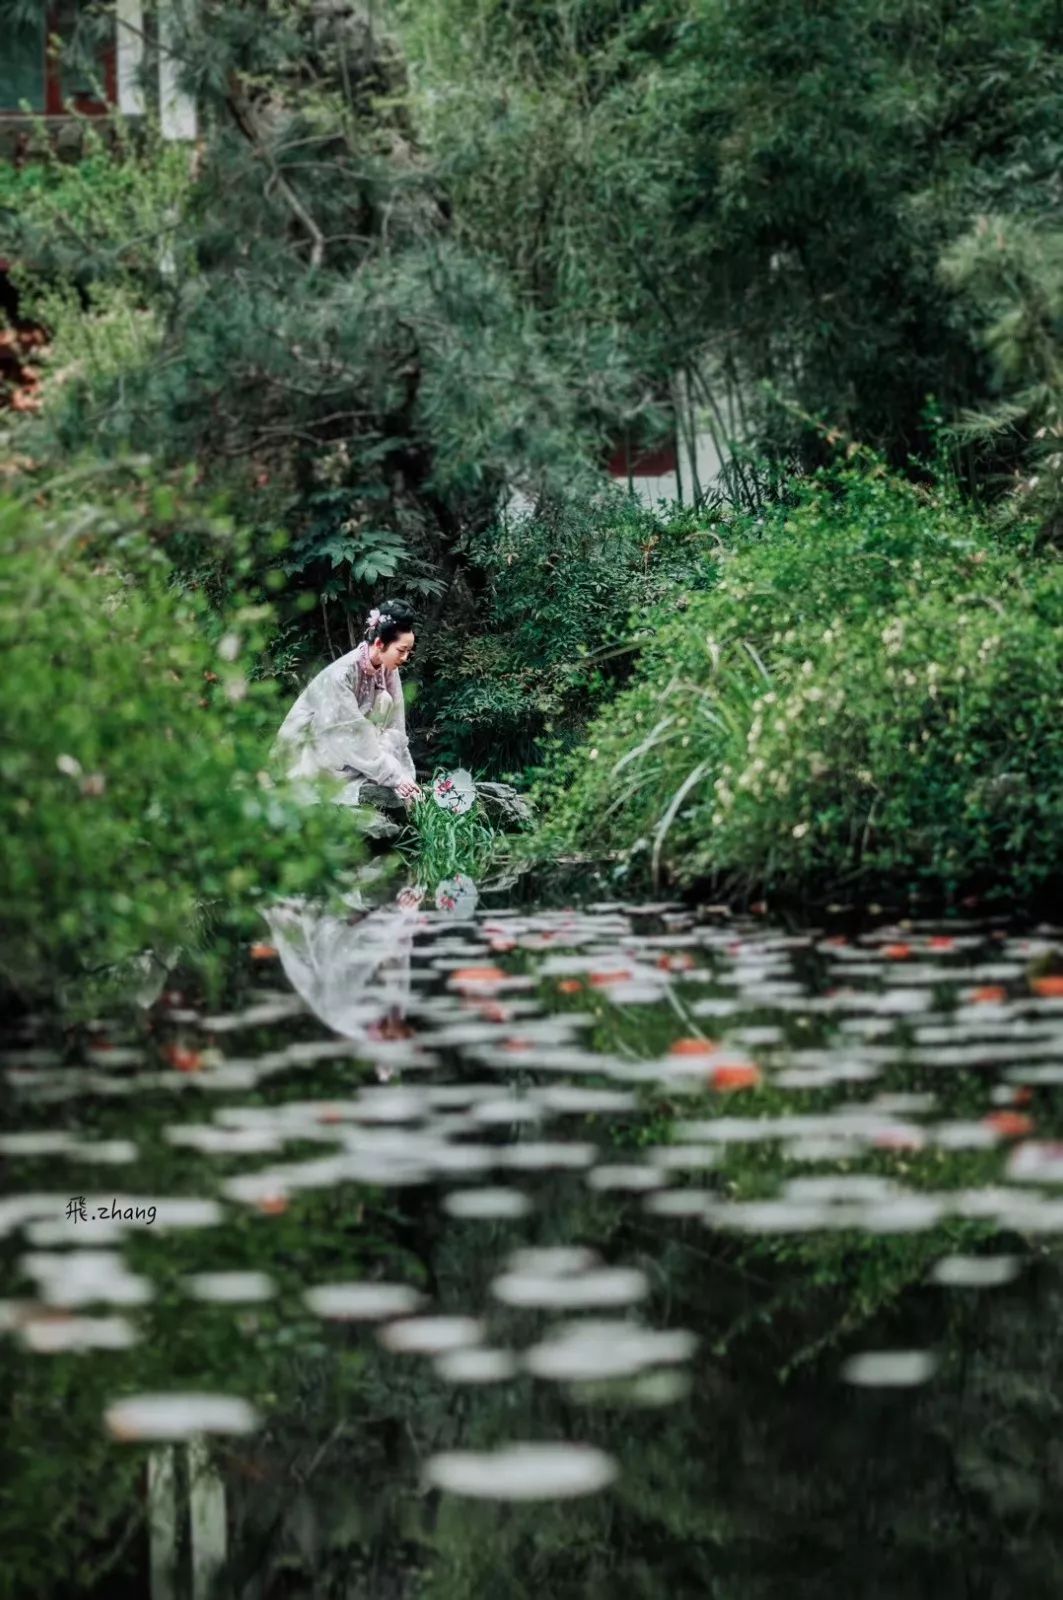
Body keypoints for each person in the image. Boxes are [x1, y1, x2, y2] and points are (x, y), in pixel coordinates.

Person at [274, 598, 423, 807]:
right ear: (380, 644)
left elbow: (395, 726)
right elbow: (350, 732)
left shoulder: (388, 666)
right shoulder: (341, 675)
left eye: (409, 651)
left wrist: (401, 771)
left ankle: (377, 769)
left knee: (386, 709)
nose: (406, 657)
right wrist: (394, 775)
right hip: (319, 744)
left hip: (357, 741)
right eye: (401, 650)